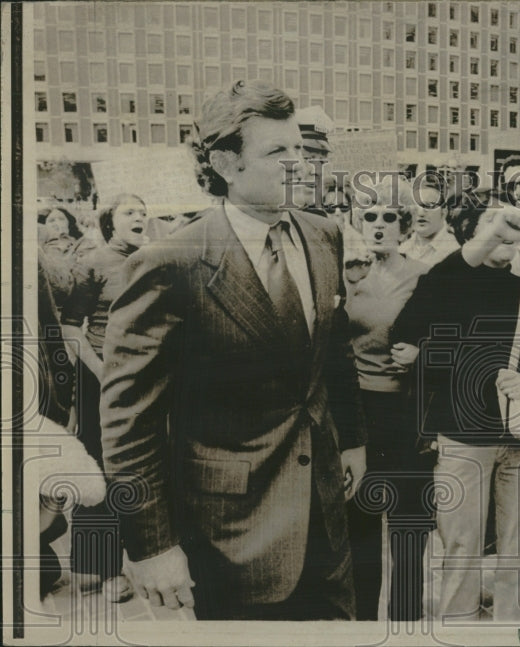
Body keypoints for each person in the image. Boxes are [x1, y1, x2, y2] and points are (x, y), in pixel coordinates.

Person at [100, 80, 367, 620]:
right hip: (232, 535)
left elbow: (333, 351)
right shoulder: (169, 263)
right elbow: (130, 422)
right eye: (277, 152)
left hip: (326, 515)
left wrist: (354, 439)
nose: (299, 164)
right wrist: (151, 546)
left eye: (300, 148)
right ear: (226, 164)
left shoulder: (324, 234)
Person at [392, 198, 520, 621]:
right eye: (492, 229)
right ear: (470, 237)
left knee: (519, 544)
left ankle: (515, 625)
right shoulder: (447, 282)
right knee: (462, 544)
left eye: (511, 230)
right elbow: (405, 333)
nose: (504, 236)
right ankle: (460, 625)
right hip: (463, 436)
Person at [343, 177, 433, 621]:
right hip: (358, 413)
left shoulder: (422, 275)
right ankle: (363, 621)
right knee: (359, 520)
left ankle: (406, 618)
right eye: (370, 217)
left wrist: (421, 354)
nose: (378, 225)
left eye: (388, 217)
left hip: (405, 411)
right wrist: (343, 287)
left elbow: (448, 335)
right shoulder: (346, 275)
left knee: (408, 521)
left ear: (405, 225)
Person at [60, 193, 150, 601]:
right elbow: (71, 327)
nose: (140, 217)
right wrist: (102, 372)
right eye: (130, 211)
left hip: (145, 380)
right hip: (101, 380)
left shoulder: (153, 259)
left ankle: (141, 565)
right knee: (98, 468)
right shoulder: (92, 263)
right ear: (109, 222)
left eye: (143, 212)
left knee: (140, 468)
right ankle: (100, 567)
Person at [399, 176, 460, 266]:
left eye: (429, 206)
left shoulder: (453, 253)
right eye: (416, 207)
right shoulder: (402, 248)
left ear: (443, 213)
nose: (421, 213)